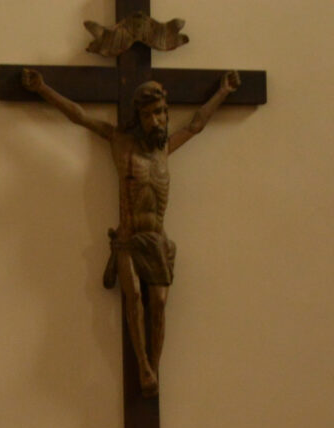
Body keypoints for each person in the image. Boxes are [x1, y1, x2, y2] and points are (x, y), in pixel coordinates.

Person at [18, 67, 241, 396]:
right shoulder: (120, 143)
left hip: (158, 240)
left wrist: (223, 92)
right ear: (139, 117)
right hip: (128, 239)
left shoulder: (164, 149)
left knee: (159, 303)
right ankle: (143, 366)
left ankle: (154, 366)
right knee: (134, 296)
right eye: (149, 114)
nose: (157, 120)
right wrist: (42, 89)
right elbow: (80, 116)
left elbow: (196, 124)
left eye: (161, 112)